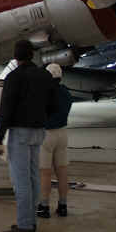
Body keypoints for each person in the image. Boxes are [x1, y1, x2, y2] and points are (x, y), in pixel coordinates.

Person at [0, 40, 58, 232]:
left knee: (21, 181)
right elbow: (54, 103)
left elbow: (6, 108)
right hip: (39, 131)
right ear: (32, 55)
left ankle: (24, 226)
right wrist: (42, 118)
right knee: (33, 178)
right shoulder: (45, 75)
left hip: (20, 133)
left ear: (16, 57)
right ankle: (31, 222)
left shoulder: (14, 77)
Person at [36, 63, 72, 218]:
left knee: (45, 174)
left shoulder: (43, 92)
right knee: (62, 172)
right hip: (62, 134)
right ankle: (62, 205)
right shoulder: (66, 92)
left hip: (46, 136)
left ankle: (44, 207)